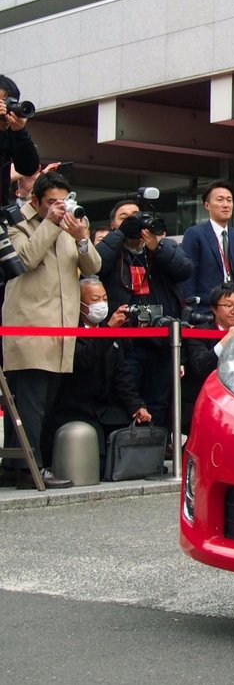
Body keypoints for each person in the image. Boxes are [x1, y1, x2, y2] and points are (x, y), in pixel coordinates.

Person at [0, 170, 101, 489]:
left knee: (47, 403)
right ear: (35, 201)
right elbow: (24, 259)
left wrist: (82, 237)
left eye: (64, 201)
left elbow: (94, 267)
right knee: (28, 404)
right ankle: (31, 468)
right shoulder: (18, 224)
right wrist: (50, 223)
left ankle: (20, 468)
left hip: (61, 330)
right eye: (52, 203)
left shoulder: (69, 226)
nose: (60, 208)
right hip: (28, 328)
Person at [98, 197, 193, 430]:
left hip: (160, 341)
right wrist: (121, 235)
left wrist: (156, 247)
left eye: (137, 215)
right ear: (113, 225)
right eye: (125, 217)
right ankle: (124, 461)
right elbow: (96, 264)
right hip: (127, 342)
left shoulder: (162, 247)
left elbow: (185, 270)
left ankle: (154, 459)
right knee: (125, 402)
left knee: (158, 404)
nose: (133, 221)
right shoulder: (113, 250)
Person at [44, 278, 151, 470]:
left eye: (104, 298)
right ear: (81, 304)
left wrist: (137, 405)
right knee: (96, 452)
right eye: (95, 299)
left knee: (138, 430)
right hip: (74, 408)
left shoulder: (107, 331)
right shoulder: (70, 331)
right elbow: (84, 359)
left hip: (103, 407)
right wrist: (109, 331)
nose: (101, 304)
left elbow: (122, 375)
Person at [180, 282, 234, 435]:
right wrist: (226, 340)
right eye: (229, 305)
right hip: (203, 403)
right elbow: (200, 367)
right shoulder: (199, 332)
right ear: (214, 308)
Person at [182, 181, 234, 316]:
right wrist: (190, 310)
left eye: (229, 200)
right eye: (220, 200)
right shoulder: (195, 234)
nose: (225, 205)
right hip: (206, 308)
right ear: (207, 205)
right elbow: (189, 275)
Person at [0, 75, 41, 206]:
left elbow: (28, 168)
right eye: (1, 101)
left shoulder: (12, 132)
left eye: (9, 102)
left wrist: (20, 132)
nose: (5, 107)